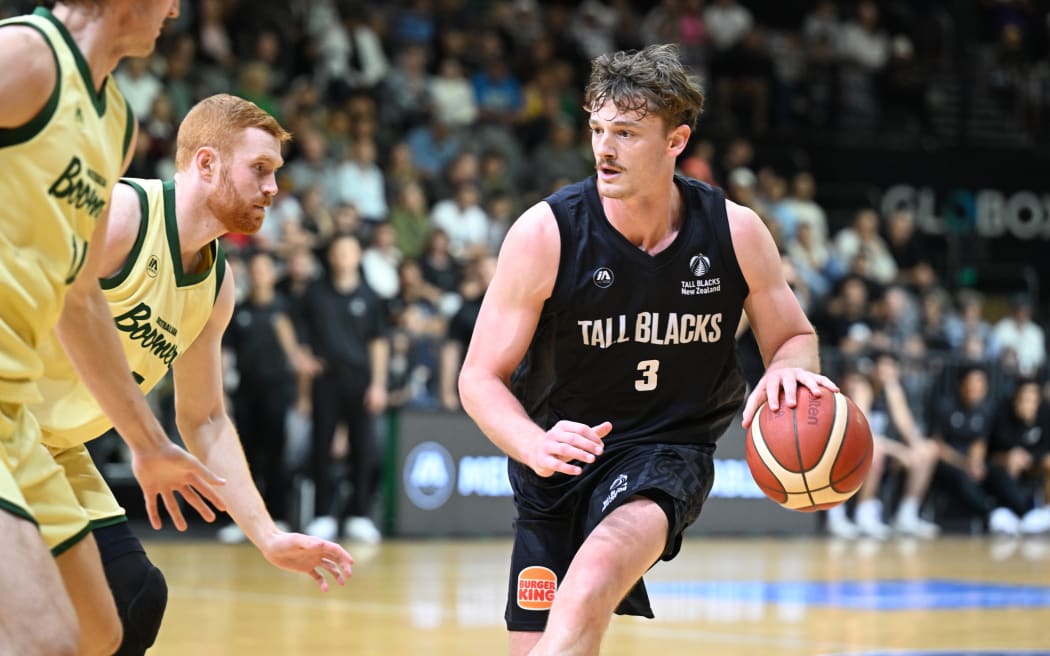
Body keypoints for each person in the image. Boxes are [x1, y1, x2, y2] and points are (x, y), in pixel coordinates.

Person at [457, 44, 836, 656]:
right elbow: (478, 378)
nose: (604, 149)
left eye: (627, 133)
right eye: (598, 130)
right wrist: (533, 443)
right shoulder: (545, 233)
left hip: (667, 451)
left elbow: (794, 335)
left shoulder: (735, 232)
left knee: (592, 582)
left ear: (675, 140)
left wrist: (790, 372)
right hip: (556, 463)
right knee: (541, 644)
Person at [31, 94, 354, 655]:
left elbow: (203, 419)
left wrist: (268, 535)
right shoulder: (123, 215)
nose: (274, 188)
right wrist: (145, 439)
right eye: (260, 170)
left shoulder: (214, 287)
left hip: (56, 448)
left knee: (132, 598)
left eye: (276, 173)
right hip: (8, 424)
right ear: (205, 164)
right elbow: (52, 314)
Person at [0, 2, 226, 654]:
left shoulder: (115, 121)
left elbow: (80, 302)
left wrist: (149, 443)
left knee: (103, 629)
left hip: (19, 415)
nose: (177, 9)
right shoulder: (26, 56)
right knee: (44, 639)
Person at [299, 233, 389, 544]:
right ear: (331, 257)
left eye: (350, 251)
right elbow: (296, 330)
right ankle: (323, 514)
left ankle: (358, 515)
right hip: (326, 379)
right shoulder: (315, 294)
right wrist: (303, 358)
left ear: (358, 256)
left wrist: (378, 384)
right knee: (321, 445)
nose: (343, 257)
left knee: (363, 448)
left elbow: (379, 342)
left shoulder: (370, 296)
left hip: (360, 380)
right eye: (338, 252)